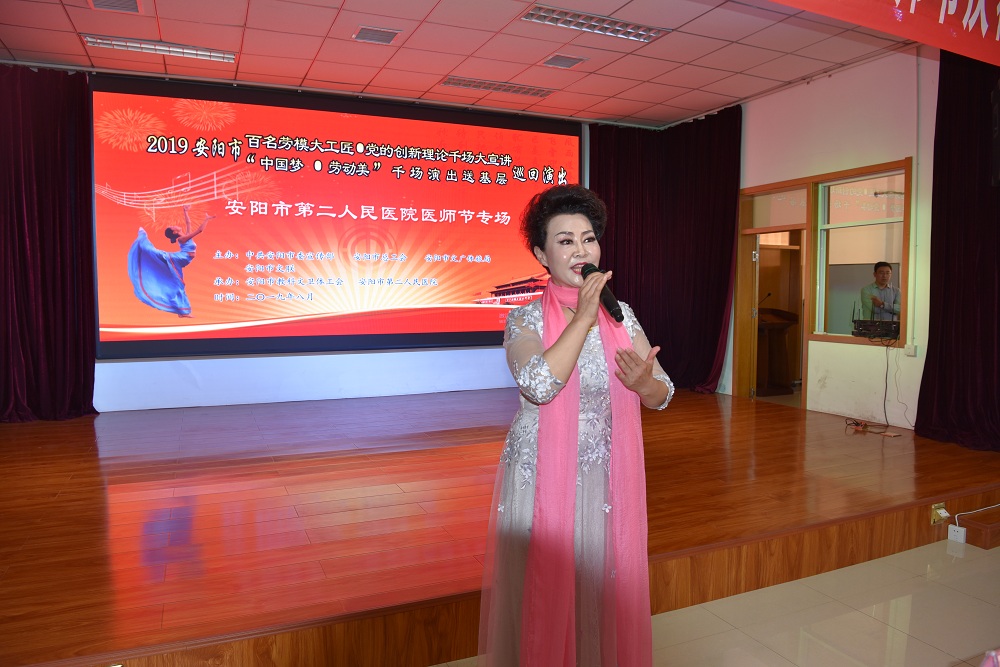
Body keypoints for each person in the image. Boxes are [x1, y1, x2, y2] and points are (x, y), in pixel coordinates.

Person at [477, 185, 674, 667]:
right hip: (542, 474)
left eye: (588, 239)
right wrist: (584, 317)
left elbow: (662, 395)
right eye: (565, 241)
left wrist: (645, 383)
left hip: (605, 476)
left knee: (600, 584)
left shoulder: (622, 316)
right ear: (542, 254)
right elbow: (538, 386)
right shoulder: (524, 319)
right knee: (543, 592)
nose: (581, 251)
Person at [127, 205, 212, 317]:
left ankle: (181, 311)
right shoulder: (182, 239)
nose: (175, 225)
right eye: (173, 226)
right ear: (174, 231)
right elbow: (200, 230)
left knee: (179, 284)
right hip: (178, 259)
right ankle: (181, 311)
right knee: (178, 283)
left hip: (181, 259)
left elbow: (189, 223)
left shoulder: (185, 236)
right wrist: (206, 219)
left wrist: (185, 211)